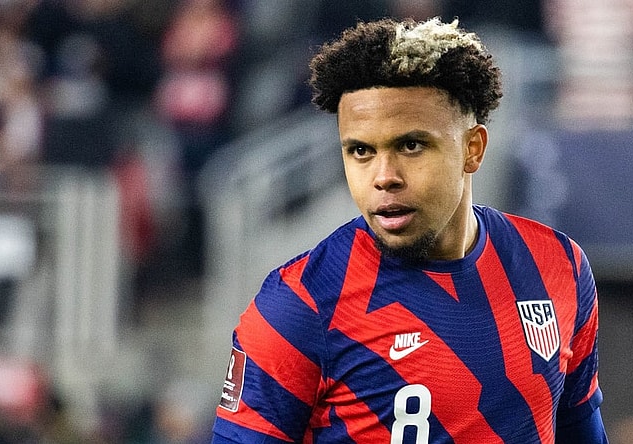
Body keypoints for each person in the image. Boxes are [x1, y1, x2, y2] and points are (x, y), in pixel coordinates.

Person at [211, 17, 608, 443]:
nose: (383, 176)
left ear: (472, 149)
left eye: (411, 145)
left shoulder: (558, 266)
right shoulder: (299, 304)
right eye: (361, 150)